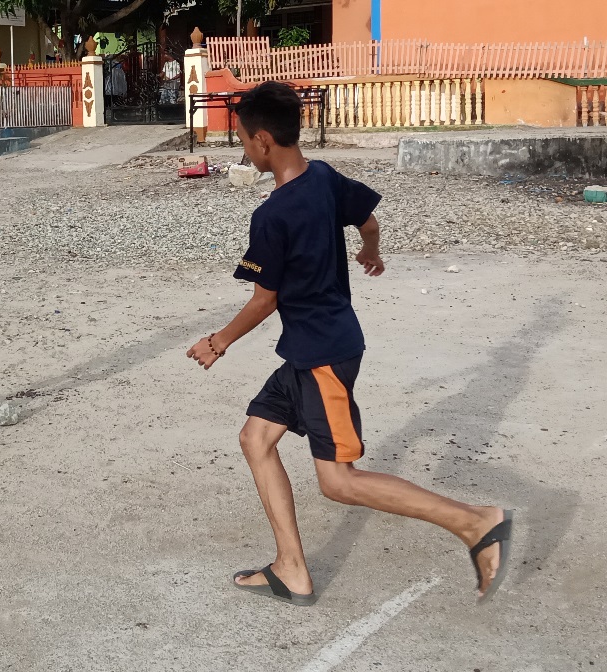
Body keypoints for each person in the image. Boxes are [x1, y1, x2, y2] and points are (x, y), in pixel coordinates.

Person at [186, 82, 513, 605]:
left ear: (264, 141)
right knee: (256, 439)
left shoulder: (272, 215)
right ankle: (291, 568)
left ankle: (476, 522)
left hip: (323, 356)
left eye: (245, 140)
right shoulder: (323, 177)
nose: (244, 149)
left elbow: (264, 299)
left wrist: (218, 342)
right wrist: (370, 250)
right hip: (308, 350)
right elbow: (368, 219)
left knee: (338, 482)